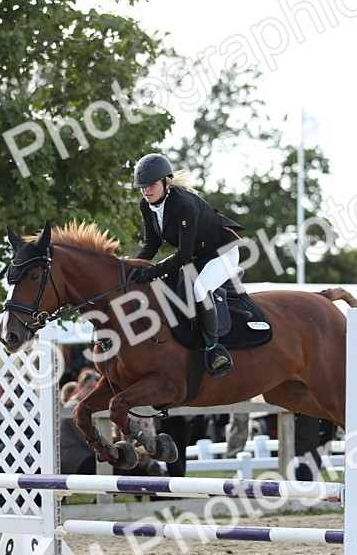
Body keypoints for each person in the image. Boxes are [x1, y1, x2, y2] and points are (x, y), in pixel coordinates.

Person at [126, 153, 244, 377]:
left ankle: (214, 349)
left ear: (165, 182)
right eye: (142, 187)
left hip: (222, 253)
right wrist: (135, 267)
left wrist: (151, 272)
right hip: (198, 257)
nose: (146, 191)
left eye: (151, 185)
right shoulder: (146, 205)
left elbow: (183, 255)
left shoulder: (183, 204)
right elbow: (152, 243)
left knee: (199, 290)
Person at [59, 369, 103, 474]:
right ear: (80, 387)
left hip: (86, 457)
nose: (92, 391)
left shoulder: (85, 406)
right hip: (76, 461)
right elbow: (88, 440)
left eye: (95, 388)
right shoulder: (73, 407)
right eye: (89, 387)